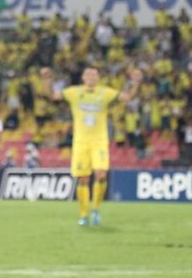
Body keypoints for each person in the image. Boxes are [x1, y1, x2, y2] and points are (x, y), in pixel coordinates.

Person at [55, 65, 140, 226]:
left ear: (98, 78)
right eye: (88, 74)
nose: (91, 76)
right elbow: (52, 95)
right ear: (83, 77)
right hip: (80, 142)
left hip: (99, 141)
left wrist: (135, 82)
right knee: (83, 179)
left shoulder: (105, 93)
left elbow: (128, 97)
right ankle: (83, 213)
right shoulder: (74, 92)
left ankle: (95, 209)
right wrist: (46, 80)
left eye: (94, 74)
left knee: (101, 174)